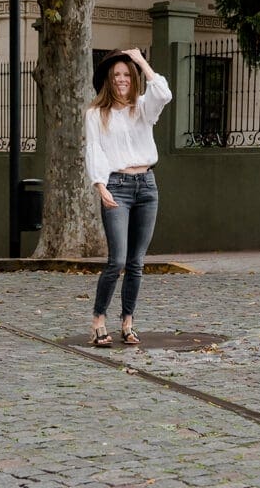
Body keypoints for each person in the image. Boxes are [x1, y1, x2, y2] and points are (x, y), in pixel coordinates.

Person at [85, 47, 172, 347]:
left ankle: (127, 322)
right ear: (108, 80)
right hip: (116, 187)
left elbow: (163, 93)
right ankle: (98, 320)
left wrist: (141, 61)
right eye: (116, 75)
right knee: (117, 260)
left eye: (126, 74)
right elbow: (94, 150)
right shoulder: (96, 114)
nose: (121, 79)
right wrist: (100, 186)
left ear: (133, 78)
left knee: (136, 262)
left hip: (146, 186)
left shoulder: (144, 108)